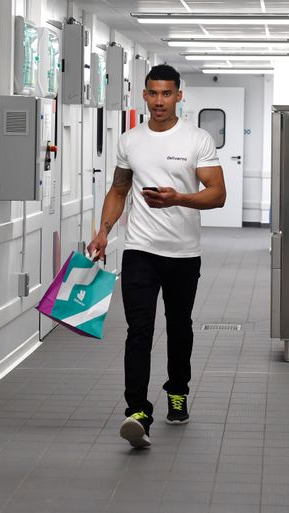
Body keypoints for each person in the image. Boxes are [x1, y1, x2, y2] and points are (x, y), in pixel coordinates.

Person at [86, 64, 226, 448]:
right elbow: (119, 189)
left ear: (179, 95)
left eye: (167, 93)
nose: (159, 100)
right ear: (144, 96)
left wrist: (178, 198)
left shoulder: (197, 140)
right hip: (140, 251)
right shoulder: (130, 140)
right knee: (139, 331)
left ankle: (177, 391)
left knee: (180, 327)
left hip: (183, 253)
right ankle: (138, 411)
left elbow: (217, 194)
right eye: (153, 93)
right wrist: (104, 230)